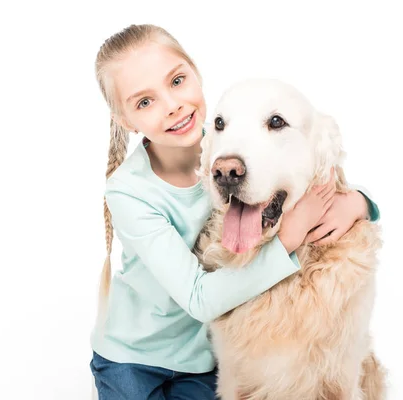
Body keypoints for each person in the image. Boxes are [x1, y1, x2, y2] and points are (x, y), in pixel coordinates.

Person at [89, 24, 380, 400]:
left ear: (196, 73)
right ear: (126, 121)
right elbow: (198, 299)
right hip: (132, 357)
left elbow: (303, 155)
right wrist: (290, 235)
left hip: (199, 357)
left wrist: (358, 200)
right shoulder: (129, 192)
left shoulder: (220, 144)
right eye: (145, 102)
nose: (172, 105)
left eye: (177, 81)